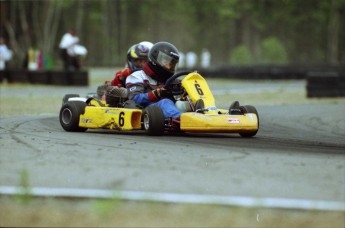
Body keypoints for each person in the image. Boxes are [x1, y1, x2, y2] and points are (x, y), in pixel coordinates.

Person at [125, 41, 182, 120]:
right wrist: (155, 94)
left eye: (172, 64)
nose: (169, 67)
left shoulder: (171, 80)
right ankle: (182, 119)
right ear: (155, 59)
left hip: (168, 109)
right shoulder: (137, 76)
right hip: (147, 109)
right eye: (166, 62)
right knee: (165, 102)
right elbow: (135, 98)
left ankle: (201, 115)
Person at [96, 42, 152, 106]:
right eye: (139, 61)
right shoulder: (124, 73)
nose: (142, 64)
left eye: (145, 61)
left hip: (147, 99)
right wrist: (120, 78)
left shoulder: (152, 74)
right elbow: (113, 86)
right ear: (131, 61)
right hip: (128, 102)